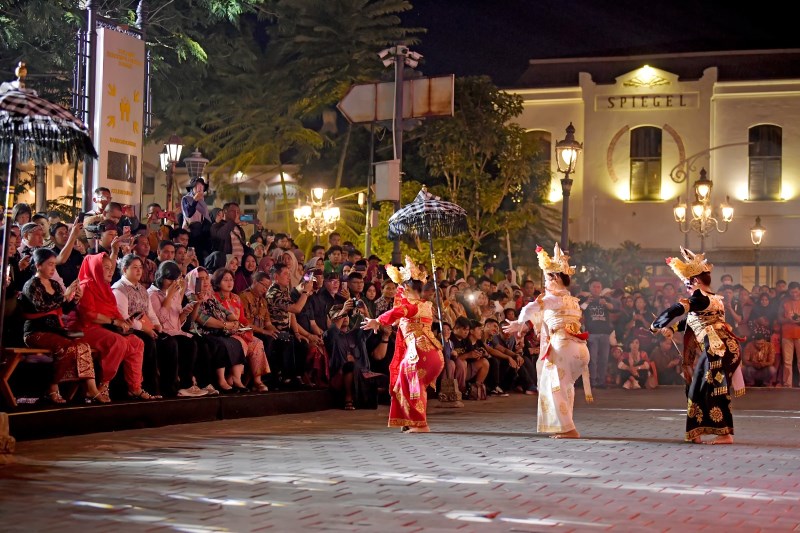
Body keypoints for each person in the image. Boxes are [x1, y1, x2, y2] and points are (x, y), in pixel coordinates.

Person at [650, 247, 745, 444]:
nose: (686, 288)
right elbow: (692, 321)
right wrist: (672, 329)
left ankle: (721, 434)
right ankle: (700, 433)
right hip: (726, 348)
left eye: (687, 283)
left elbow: (676, 309)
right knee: (704, 389)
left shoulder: (699, 297)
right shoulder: (713, 299)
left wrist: (656, 325)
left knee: (706, 389)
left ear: (696, 280)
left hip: (716, 349)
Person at [503, 244, 593, 439]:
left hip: (563, 347)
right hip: (580, 350)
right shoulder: (572, 300)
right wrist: (523, 327)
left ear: (556, 278)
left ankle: (569, 429)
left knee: (556, 388)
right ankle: (564, 426)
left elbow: (529, 310)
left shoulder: (553, 298)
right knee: (565, 388)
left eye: (547, 278)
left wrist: (519, 321)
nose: (545, 283)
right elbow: (545, 319)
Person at [361, 256, 445, 433]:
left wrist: (377, 320)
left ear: (406, 288)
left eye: (401, 289)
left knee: (413, 386)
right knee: (401, 383)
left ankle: (420, 424)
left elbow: (399, 311)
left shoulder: (412, 306)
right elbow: (399, 318)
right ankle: (408, 421)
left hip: (420, 353)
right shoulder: (426, 305)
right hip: (432, 354)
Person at [18, 248, 105, 403]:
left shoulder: (55, 284)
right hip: (36, 331)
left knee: (83, 346)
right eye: (50, 264)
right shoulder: (31, 285)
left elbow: (64, 308)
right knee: (67, 347)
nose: (53, 268)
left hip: (55, 330)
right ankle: (53, 387)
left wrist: (75, 299)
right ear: (38, 265)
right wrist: (65, 296)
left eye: (54, 265)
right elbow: (43, 306)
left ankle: (91, 388)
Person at [73, 253, 155, 400]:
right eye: (106, 268)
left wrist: (124, 322)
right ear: (96, 268)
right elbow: (88, 315)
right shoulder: (86, 286)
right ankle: (103, 385)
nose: (111, 271)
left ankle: (135, 387)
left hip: (104, 328)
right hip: (86, 329)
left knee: (137, 343)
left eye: (111, 268)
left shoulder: (105, 288)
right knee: (118, 342)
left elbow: (114, 312)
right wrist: (114, 322)